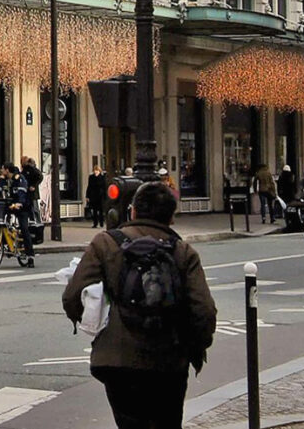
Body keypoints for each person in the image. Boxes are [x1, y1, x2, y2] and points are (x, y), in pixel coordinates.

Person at [63, 180, 218, 429]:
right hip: (169, 362)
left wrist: (97, 325)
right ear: (171, 218)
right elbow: (204, 311)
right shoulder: (182, 251)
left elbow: (72, 296)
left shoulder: (105, 244)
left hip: (118, 359)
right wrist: (193, 347)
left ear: (132, 210)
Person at [86, 158, 109, 228]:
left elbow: (105, 186)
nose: (95, 172)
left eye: (97, 170)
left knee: (101, 210)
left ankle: (101, 222)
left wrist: (105, 196)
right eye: (95, 170)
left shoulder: (102, 177)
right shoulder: (91, 177)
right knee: (94, 210)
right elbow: (89, 186)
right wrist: (87, 196)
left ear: (99, 171)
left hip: (100, 195)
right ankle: (95, 223)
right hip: (93, 195)